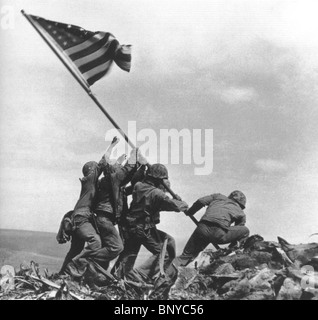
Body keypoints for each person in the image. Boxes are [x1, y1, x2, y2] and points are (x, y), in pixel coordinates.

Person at [113, 163, 188, 284]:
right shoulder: (157, 194)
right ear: (159, 179)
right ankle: (140, 275)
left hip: (131, 226)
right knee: (166, 252)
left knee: (129, 254)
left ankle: (117, 276)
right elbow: (175, 206)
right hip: (143, 229)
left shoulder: (138, 186)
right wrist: (182, 203)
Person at [58, 137, 120, 276]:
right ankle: (74, 266)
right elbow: (103, 162)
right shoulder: (90, 180)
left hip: (79, 217)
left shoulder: (90, 184)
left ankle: (63, 274)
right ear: (91, 171)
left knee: (76, 249)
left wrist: (119, 161)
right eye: (95, 169)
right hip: (81, 218)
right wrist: (112, 146)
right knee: (95, 242)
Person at [174, 190, 249, 268]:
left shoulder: (217, 196)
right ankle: (229, 253)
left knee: (185, 256)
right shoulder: (241, 213)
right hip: (218, 234)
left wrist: (190, 212)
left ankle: (166, 271)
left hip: (202, 229)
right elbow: (238, 232)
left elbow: (201, 201)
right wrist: (229, 249)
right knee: (245, 231)